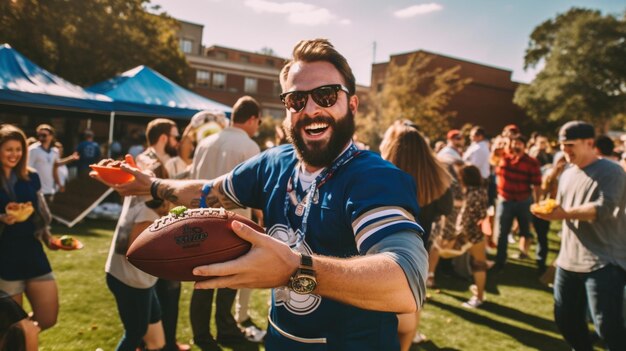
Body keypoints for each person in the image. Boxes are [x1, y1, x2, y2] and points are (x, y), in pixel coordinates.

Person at [95, 38, 427, 351]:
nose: (310, 109)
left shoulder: (373, 177)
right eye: (296, 100)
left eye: (326, 95)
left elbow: (405, 282)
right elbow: (210, 192)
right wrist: (152, 186)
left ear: (352, 104)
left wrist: (295, 271)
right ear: (285, 110)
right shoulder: (274, 164)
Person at [531, 121, 626, 351]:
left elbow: (604, 208)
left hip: (604, 261)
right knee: (566, 320)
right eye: (563, 146)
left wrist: (563, 213)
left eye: (571, 145)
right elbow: (561, 205)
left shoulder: (611, 171)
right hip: (568, 261)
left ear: (590, 143)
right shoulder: (567, 173)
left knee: (607, 327)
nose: (565, 151)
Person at [189, 98, 263, 350]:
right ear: (252, 119)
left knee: (201, 280)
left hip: (201, 222)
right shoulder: (250, 147)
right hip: (234, 225)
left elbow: (190, 183)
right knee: (230, 280)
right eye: (259, 122)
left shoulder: (205, 143)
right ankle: (224, 328)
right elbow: (256, 190)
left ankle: (202, 334)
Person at [379, 120, 453, 349]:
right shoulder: (438, 177)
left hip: (381, 250)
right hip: (418, 250)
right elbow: (446, 209)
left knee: (382, 309)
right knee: (413, 304)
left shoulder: (381, 175)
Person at [134, 119, 189, 351]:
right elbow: (156, 203)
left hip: (163, 235)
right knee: (163, 290)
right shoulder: (148, 162)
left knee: (166, 292)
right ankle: (158, 343)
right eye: (175, 137)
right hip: (156, 237)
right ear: (164, 138)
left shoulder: (160, 161)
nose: (177, 142)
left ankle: (165, 341)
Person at [0, 125, 58, 331]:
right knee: (12, 325)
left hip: (33, 253)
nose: (14, 154)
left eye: (19, 149)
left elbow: (40, 215)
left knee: (48, 318)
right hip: (5, 258)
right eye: (9, 149)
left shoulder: (31, 177)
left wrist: (48, 239)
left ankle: (23, 337)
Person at [105, 194, 167, 351]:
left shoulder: (137, 200)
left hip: (137, 280)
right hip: (132, 281)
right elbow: (134, 253)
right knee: (135, 333)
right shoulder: (148, 215)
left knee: (157, 341)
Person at [492, 133, 542, 270]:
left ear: (525, 146)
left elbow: (537, 185)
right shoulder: (503, 158)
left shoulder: (531, 163)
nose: (516, 146)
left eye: (519, 144)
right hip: (505, 200)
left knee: (525, 230)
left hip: (523, 200)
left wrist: (536, 203)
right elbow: (492, 159)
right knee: (502, 233)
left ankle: (524, 253)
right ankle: (500, 261)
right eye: (514, 143)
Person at [27, 124, 60, 203]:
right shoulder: (33, 149)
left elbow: (55, 168)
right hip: (36, 190)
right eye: (39, 135)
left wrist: (59, 184)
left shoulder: (55, 151)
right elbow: (27, 169)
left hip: (49, 189)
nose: (41, 137)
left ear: (51, 136)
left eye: (44, 135)